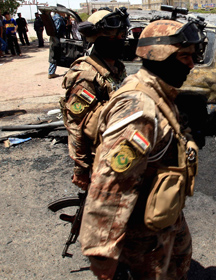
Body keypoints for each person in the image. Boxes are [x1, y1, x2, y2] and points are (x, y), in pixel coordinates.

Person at [79, 17, 206, 279]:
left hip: (164, 215)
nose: (191, 65)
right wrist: (102, 252)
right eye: (184, 57)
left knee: (181, 258)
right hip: (144, 232)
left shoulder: (157, 89)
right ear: (161, 56)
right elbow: (110, 186)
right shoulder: (140, 110)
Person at [60, 8, 129, 190]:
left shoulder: (117, 68)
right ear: (99, 40)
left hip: (119, 151)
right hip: (99, 157)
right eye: (115, 38)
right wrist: (81, 169)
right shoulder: (86, 75)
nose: (121, 42)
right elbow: (76, 125)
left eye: (122, 37)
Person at [48, 9, 66, 79]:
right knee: (54, 55)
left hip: (54, 39)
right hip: (57, 39)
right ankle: (51, 72)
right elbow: (57, 30)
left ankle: (51, 72)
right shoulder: (58, 18)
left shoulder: (55, 17)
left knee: (54, 55)